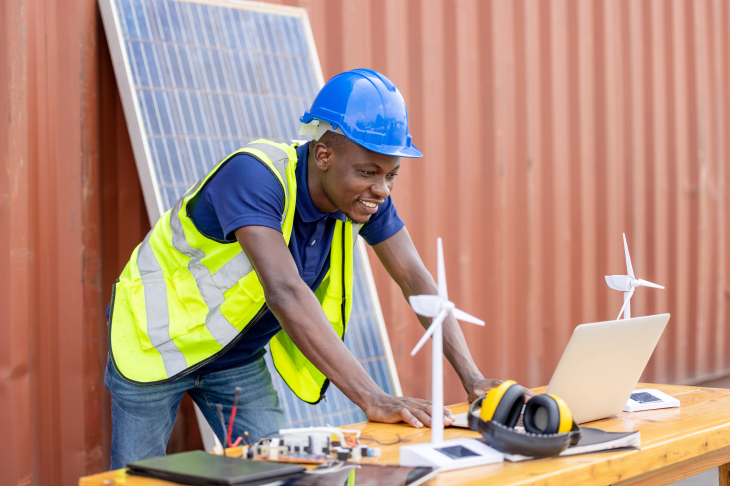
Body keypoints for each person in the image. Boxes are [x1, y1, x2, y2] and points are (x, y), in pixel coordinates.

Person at [105, 68, 504, 469]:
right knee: (135, 479)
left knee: (280, 475)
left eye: (391, 175)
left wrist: (472, 379)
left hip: (232, 359)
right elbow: (285, 291)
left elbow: (415, 279)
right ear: (324, 155)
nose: (382, 189)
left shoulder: (364, 196)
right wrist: (373, 398)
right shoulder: (255, 175)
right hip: (153, 342)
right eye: (368, 172)